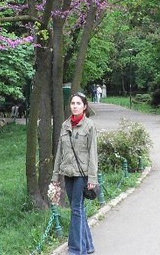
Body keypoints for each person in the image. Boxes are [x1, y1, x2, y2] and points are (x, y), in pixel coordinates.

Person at [52, 92, 98, 255]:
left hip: (82, 174)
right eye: (73, 103)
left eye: (78, 103)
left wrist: (92, 178)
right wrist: (55, 176)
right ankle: (88, 245)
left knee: (76, 209)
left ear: (84, 106)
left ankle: (76, 250)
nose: (75, 106)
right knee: (77, 209)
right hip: (68, 173)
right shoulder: (65, 125)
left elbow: (93, 153)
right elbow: (59, 152)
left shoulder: (89, 125)